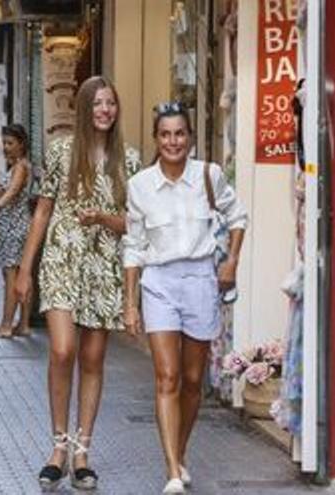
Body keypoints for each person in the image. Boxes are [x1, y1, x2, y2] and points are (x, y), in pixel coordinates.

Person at [15, 76, 142, 490]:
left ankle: (82, 451)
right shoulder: (61, 151)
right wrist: (24, 269)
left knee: (92, 359)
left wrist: (104, 219)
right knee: (62, 349)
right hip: (62, 259)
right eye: (97, 104)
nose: (105, 110)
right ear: (85, 109)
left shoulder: (131, 160)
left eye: (111, 104)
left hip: (104, 265)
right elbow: (42, 211)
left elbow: (135, 227)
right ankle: (58, 446)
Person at [122, 102, 247, 494]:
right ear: (156, 140)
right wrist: (129, 303)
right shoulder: (140, 185)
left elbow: (239, 216)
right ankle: (172, 470)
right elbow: (133, 247)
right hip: (158, 282)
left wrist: (231, 266)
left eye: (179, 134)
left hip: (200, 280)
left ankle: (181, 451)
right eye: (165, 134)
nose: (173, 141)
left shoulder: (208, 176)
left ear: (190, 137)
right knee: (168, 376)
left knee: (193, 380)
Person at [0, 124, 33, 338]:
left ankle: (6, 325)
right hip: (14, 227)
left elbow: (13, 191)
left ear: (21, 144)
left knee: (11, 276)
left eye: (10, 143)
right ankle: (22, 324)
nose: (5, 147)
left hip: (14, 228)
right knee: (22, 276)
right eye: (4, 143)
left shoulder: (21, 167)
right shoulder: (18, 165)